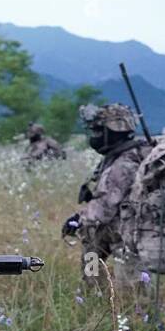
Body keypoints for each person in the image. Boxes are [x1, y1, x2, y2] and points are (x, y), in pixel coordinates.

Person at [61, 103, 148, 290]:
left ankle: (135, 311)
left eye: (98, 131)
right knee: (91, 251)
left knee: (132, 291)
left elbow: (105, 208)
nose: (95, 137)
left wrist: (77, 220)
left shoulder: (125, 163)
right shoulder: (115, 157)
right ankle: (95, 292)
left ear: (113, 131)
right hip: (112, 230)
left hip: (127, 234)